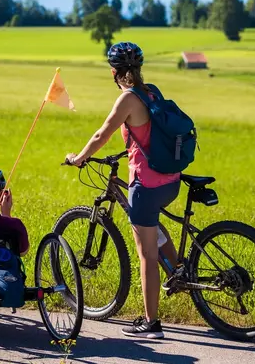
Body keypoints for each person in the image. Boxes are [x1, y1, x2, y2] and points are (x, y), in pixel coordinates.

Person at [65, 42, 180, 339]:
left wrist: (80, 157)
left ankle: (151, 323)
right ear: (139, 69)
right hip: (170, 180)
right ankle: (179, 271)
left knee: (145, 254)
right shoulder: (151, 90)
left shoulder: (127, 99)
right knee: (151, 225)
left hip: (147, 185)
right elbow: (148, 133)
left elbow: (101, 133)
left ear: (115, 72)